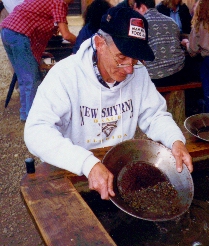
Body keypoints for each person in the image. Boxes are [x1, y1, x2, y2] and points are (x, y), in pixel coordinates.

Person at [24, 6, 193, 200]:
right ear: (99, 43)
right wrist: (87, 163)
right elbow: (36, 131)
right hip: (73, 168)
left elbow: (154, 115)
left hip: (118, 171)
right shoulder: (65, 75)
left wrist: (175, 140)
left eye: (135, 59)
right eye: (121, 57)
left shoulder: (138, 73)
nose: (129, 69)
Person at [1, 0, 76, 122]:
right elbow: (66, 35)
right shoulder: (60, 2)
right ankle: (33, 119)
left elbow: (37, 17)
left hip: (7, 31)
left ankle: (25, 114)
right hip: (19, 34)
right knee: (32, 79)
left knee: (23, 78)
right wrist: (82, 42)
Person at [133, 0, 192, 86]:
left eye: (135, 10)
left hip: (154, 78)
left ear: (142, 7)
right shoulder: (171, 21)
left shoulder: (139, 25)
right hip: (178, 74)